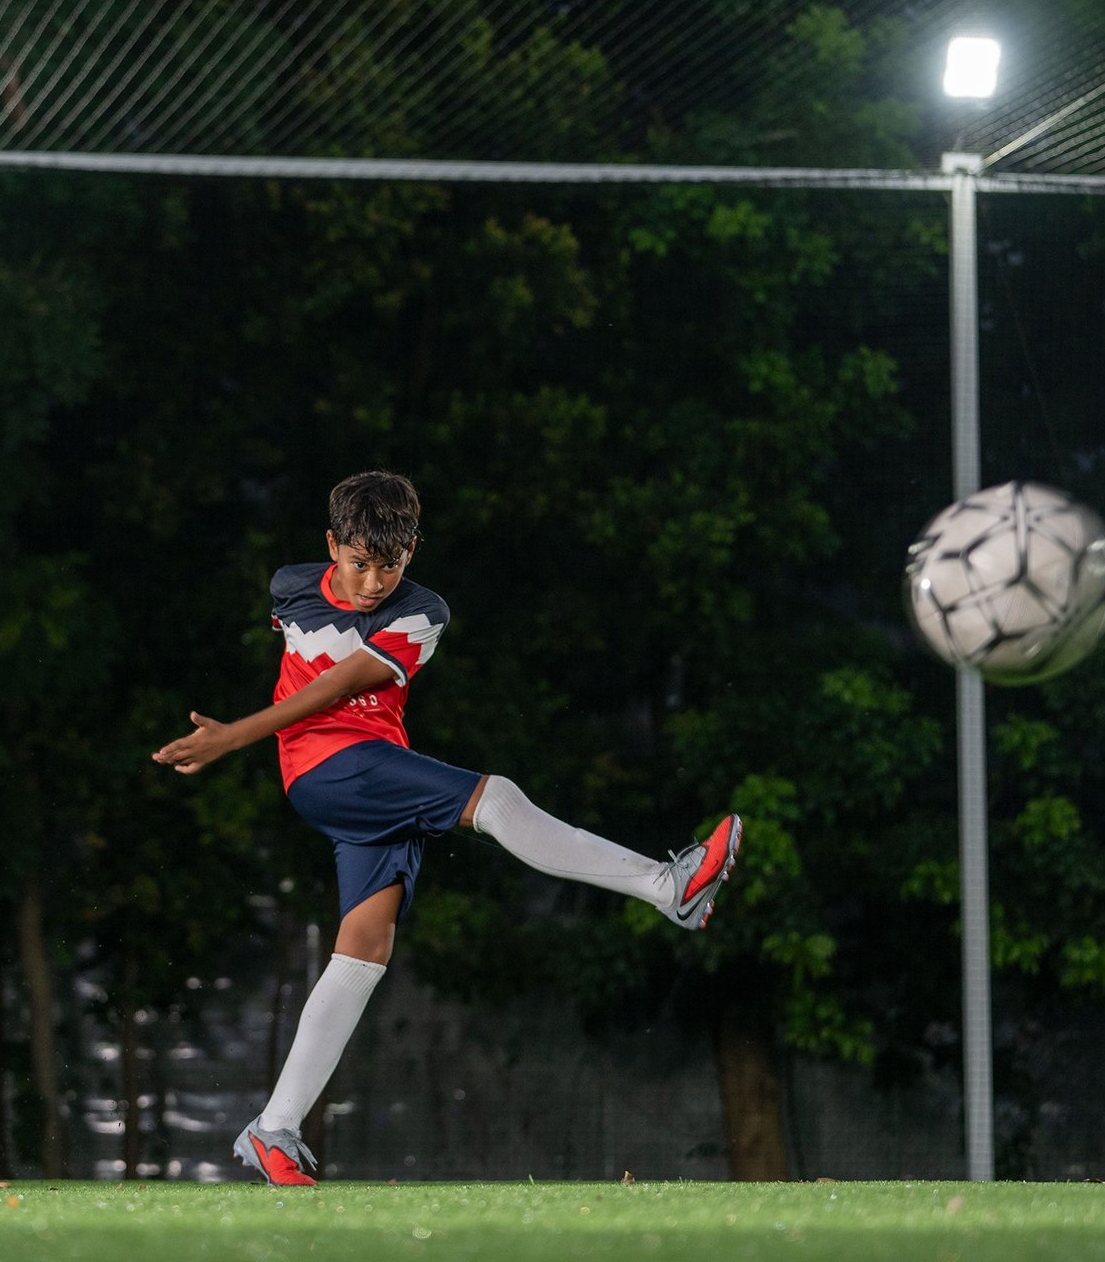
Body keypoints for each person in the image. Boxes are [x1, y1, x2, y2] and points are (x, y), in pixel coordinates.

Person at [151, 470, 741, 1187]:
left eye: (390, 565)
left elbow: (338, 683)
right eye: (359, 563)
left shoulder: (422, 614)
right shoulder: (291, 587)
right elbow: (311, 697)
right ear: (331, 546)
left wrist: (234, 736)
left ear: (413, 555)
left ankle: (273, 1128)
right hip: (328, 768)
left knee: (364, 951)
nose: (372, 583)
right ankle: (666, 885)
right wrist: (238, 738)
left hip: (369, 772)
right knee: (495, 799)